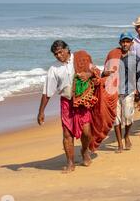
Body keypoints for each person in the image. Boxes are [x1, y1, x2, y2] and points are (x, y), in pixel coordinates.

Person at [37, 40, 100, 173]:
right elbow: (47, 91)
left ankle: (84, 151)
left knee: (87, 132)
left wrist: (88, 75)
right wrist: (41, 111)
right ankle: (70, 163)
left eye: (61, 52)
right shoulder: (54, 69)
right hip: (66, 103)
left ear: (67, 49)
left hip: (82, 101)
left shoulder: (80, 59)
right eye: (56, 54)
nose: (59, 55)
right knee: (67, 134)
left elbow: (95, 71)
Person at [103, 32, 140, 153]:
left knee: (128, 118)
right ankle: (120, 143)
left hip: (129, 92)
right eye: (123, 41)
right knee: (116, 119)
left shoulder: (135, 59)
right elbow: (103, 74)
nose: (125, 44)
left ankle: (126, 136)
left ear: (131, 43)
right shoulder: (113, 56)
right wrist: (104, 74)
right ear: (120, 43)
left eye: (127, 41)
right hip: (114, 93)